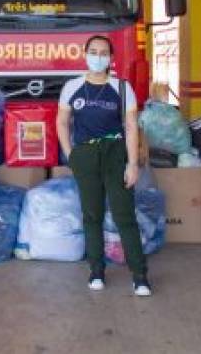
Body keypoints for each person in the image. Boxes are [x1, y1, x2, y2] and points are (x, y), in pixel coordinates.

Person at [56, 34, 151, 297]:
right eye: (93, 51)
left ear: (111, 58)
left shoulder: (122, 88)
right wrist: (70, 154)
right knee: (92, 215)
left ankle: (140, 275)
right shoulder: (72, 87)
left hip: (115, 153)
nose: (98, 57)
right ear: (85, 54)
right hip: (85, 155)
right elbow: (62, 122)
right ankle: (96, 269)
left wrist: (132, 164)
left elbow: (131, 126)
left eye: (104, 53)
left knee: (124, 215)